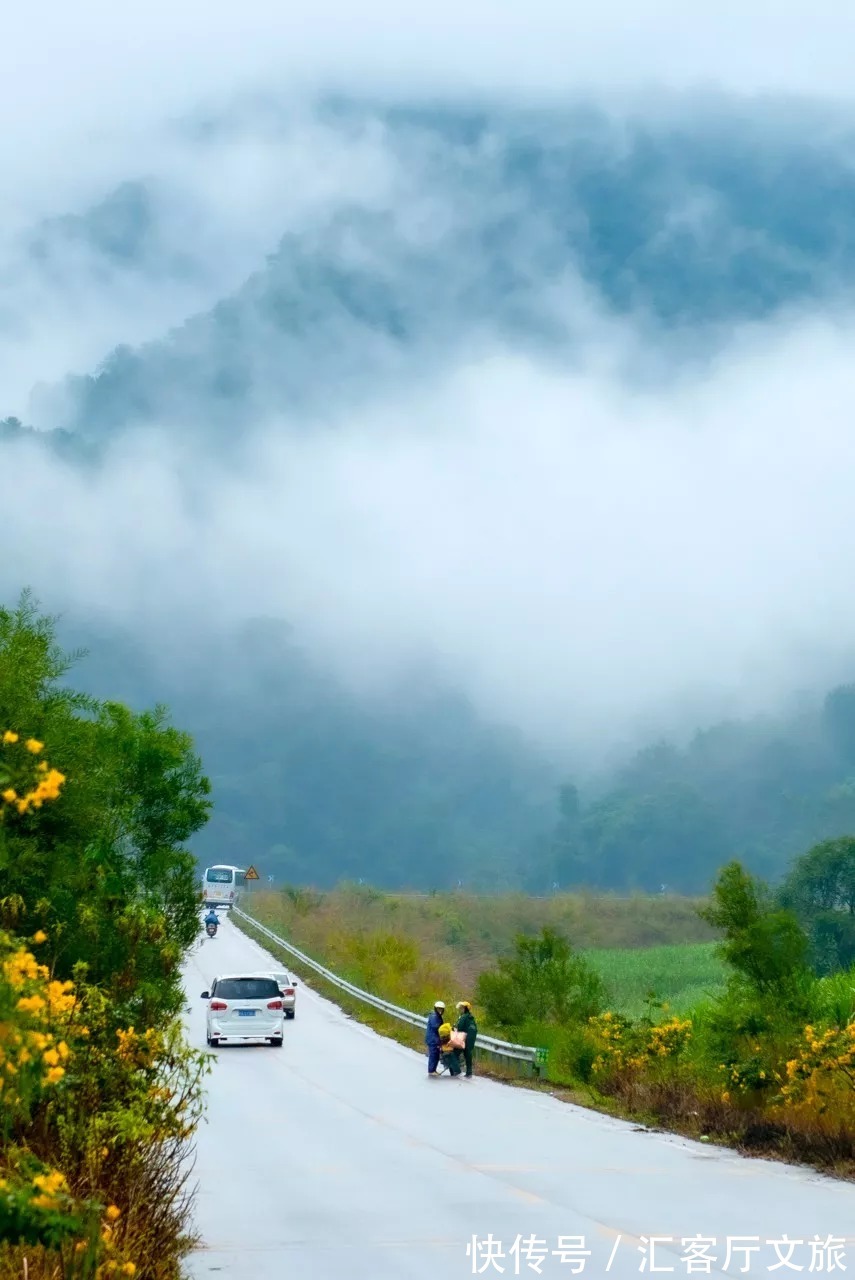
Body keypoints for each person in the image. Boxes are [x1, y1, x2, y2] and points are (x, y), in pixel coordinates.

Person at [455, 1000, 478, 1078]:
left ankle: (456, 1069)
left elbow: (460, 1027)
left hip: (465, 1038)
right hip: (471, 1038)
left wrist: (455, 1029)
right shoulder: (470, 1017)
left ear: (466, 1009)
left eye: (462, 1008)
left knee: (456, 1052)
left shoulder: (464, 1016)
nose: (460, 1009)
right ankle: (469, 1072)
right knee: (468, 1054)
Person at [425, 1001, 445, 1075]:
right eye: (438, 1009)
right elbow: (435, 1026)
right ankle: (431, 1070)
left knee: (436, 1055)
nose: (440, 1010)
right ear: (435, 1008)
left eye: (441, 1009)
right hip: (432, 1039)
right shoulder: (434, 1016)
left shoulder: (438, 1016)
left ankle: (434, 1070)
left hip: (435, 1039)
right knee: (433, 1054)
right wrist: (443, 1028)